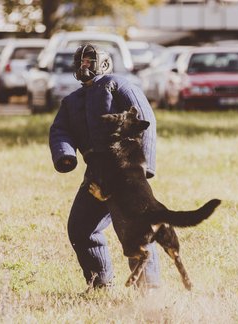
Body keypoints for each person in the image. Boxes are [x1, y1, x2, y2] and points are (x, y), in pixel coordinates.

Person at [49, 43, 160, 290]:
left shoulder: (119, 85)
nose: (84, 66)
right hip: (96, 175)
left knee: (135, 231)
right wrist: (65, 154)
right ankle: (100, 285)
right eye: (81, 61)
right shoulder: (72, 100)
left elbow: (144, 119)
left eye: (90, 60)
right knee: (81, 228)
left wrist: (145, 165)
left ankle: (150, 293)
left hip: (124, 172)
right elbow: (60, 130)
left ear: (105, 63)